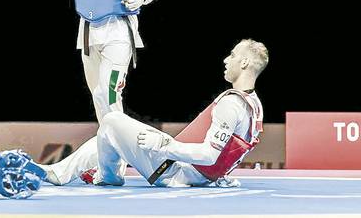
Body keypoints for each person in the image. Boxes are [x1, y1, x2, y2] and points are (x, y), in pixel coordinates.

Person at [40, 39, 268, 187]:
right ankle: (63, 172)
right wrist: (220, 176)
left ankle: (109, 176)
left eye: (233, 55)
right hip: (189, 172)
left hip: (174, 172)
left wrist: (163, 145)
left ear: (245, 62)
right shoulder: (253, 104)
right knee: (109, 132)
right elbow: (231, 151)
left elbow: (209, 155)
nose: (226, 60)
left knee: (110, 119)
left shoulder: (231, 104)